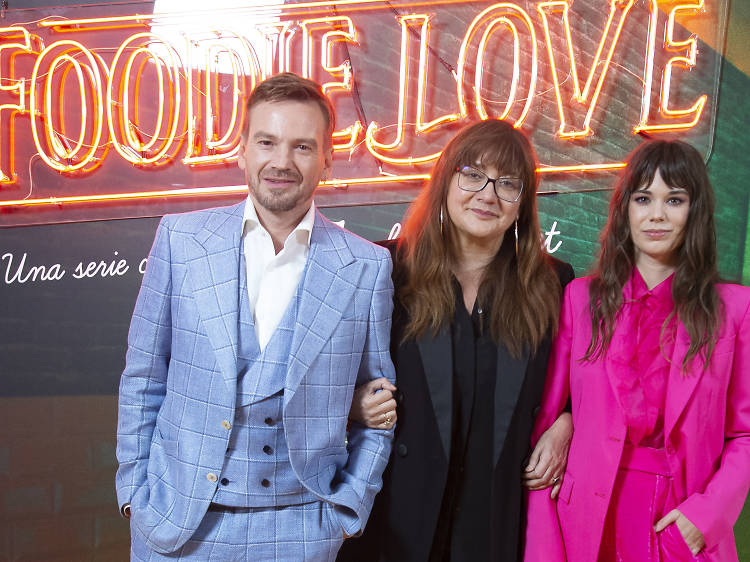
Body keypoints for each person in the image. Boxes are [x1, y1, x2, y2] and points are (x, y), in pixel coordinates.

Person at [115, 72, 396, 561]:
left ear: (327, 159)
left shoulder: (367, 267)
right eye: (267, 141)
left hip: (302, 532)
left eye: (303, 147)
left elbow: (381, 403)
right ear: (242, 149)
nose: (281, 162)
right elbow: (143, 379)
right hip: (175, 526)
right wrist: (134, 498)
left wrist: (350, 507)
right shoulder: (181, 242)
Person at [337, 119, 575, 562]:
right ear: (445, 180)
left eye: (508, 183)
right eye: (472, 174)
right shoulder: (383, 270)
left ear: (523, 203)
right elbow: (315, 379)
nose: (488, 194)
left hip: (491, 523)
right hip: (390, 521)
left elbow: (581, 381)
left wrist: (567, 422)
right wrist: (350, 405)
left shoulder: (553, 283)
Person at [524, 139, 750, 562]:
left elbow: (745, 433)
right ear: (626, 208)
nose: (657, 214)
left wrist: (705, 517)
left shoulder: (735, 309)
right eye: (644, 198)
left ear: (694, 211)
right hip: (586, 522)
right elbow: (547, 422)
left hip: (681, 520)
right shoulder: (580, 299)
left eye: (675, 199)